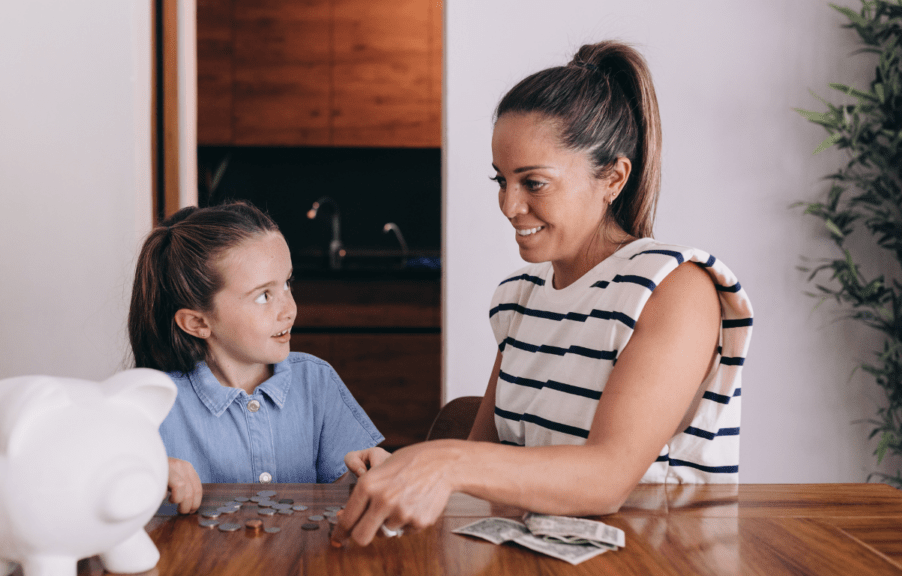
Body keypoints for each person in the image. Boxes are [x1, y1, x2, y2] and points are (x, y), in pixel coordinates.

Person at [333, 41, 754, 546]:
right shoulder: (519, 298)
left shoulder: (675, 286)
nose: (510, 205)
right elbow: (486, 469)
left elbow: (605, 481)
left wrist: (442, 460)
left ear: (613, 178)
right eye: (502, 180)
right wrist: (406, 473)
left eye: (533, 182)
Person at [128, 201, 388, 514]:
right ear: (198, 323)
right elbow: (82, 479)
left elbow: (348, 492)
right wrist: (147, 470)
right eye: (264, 296)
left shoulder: (316, 381)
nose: (289, 309)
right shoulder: (151, 404)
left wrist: (374, 476)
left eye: (287, 284)